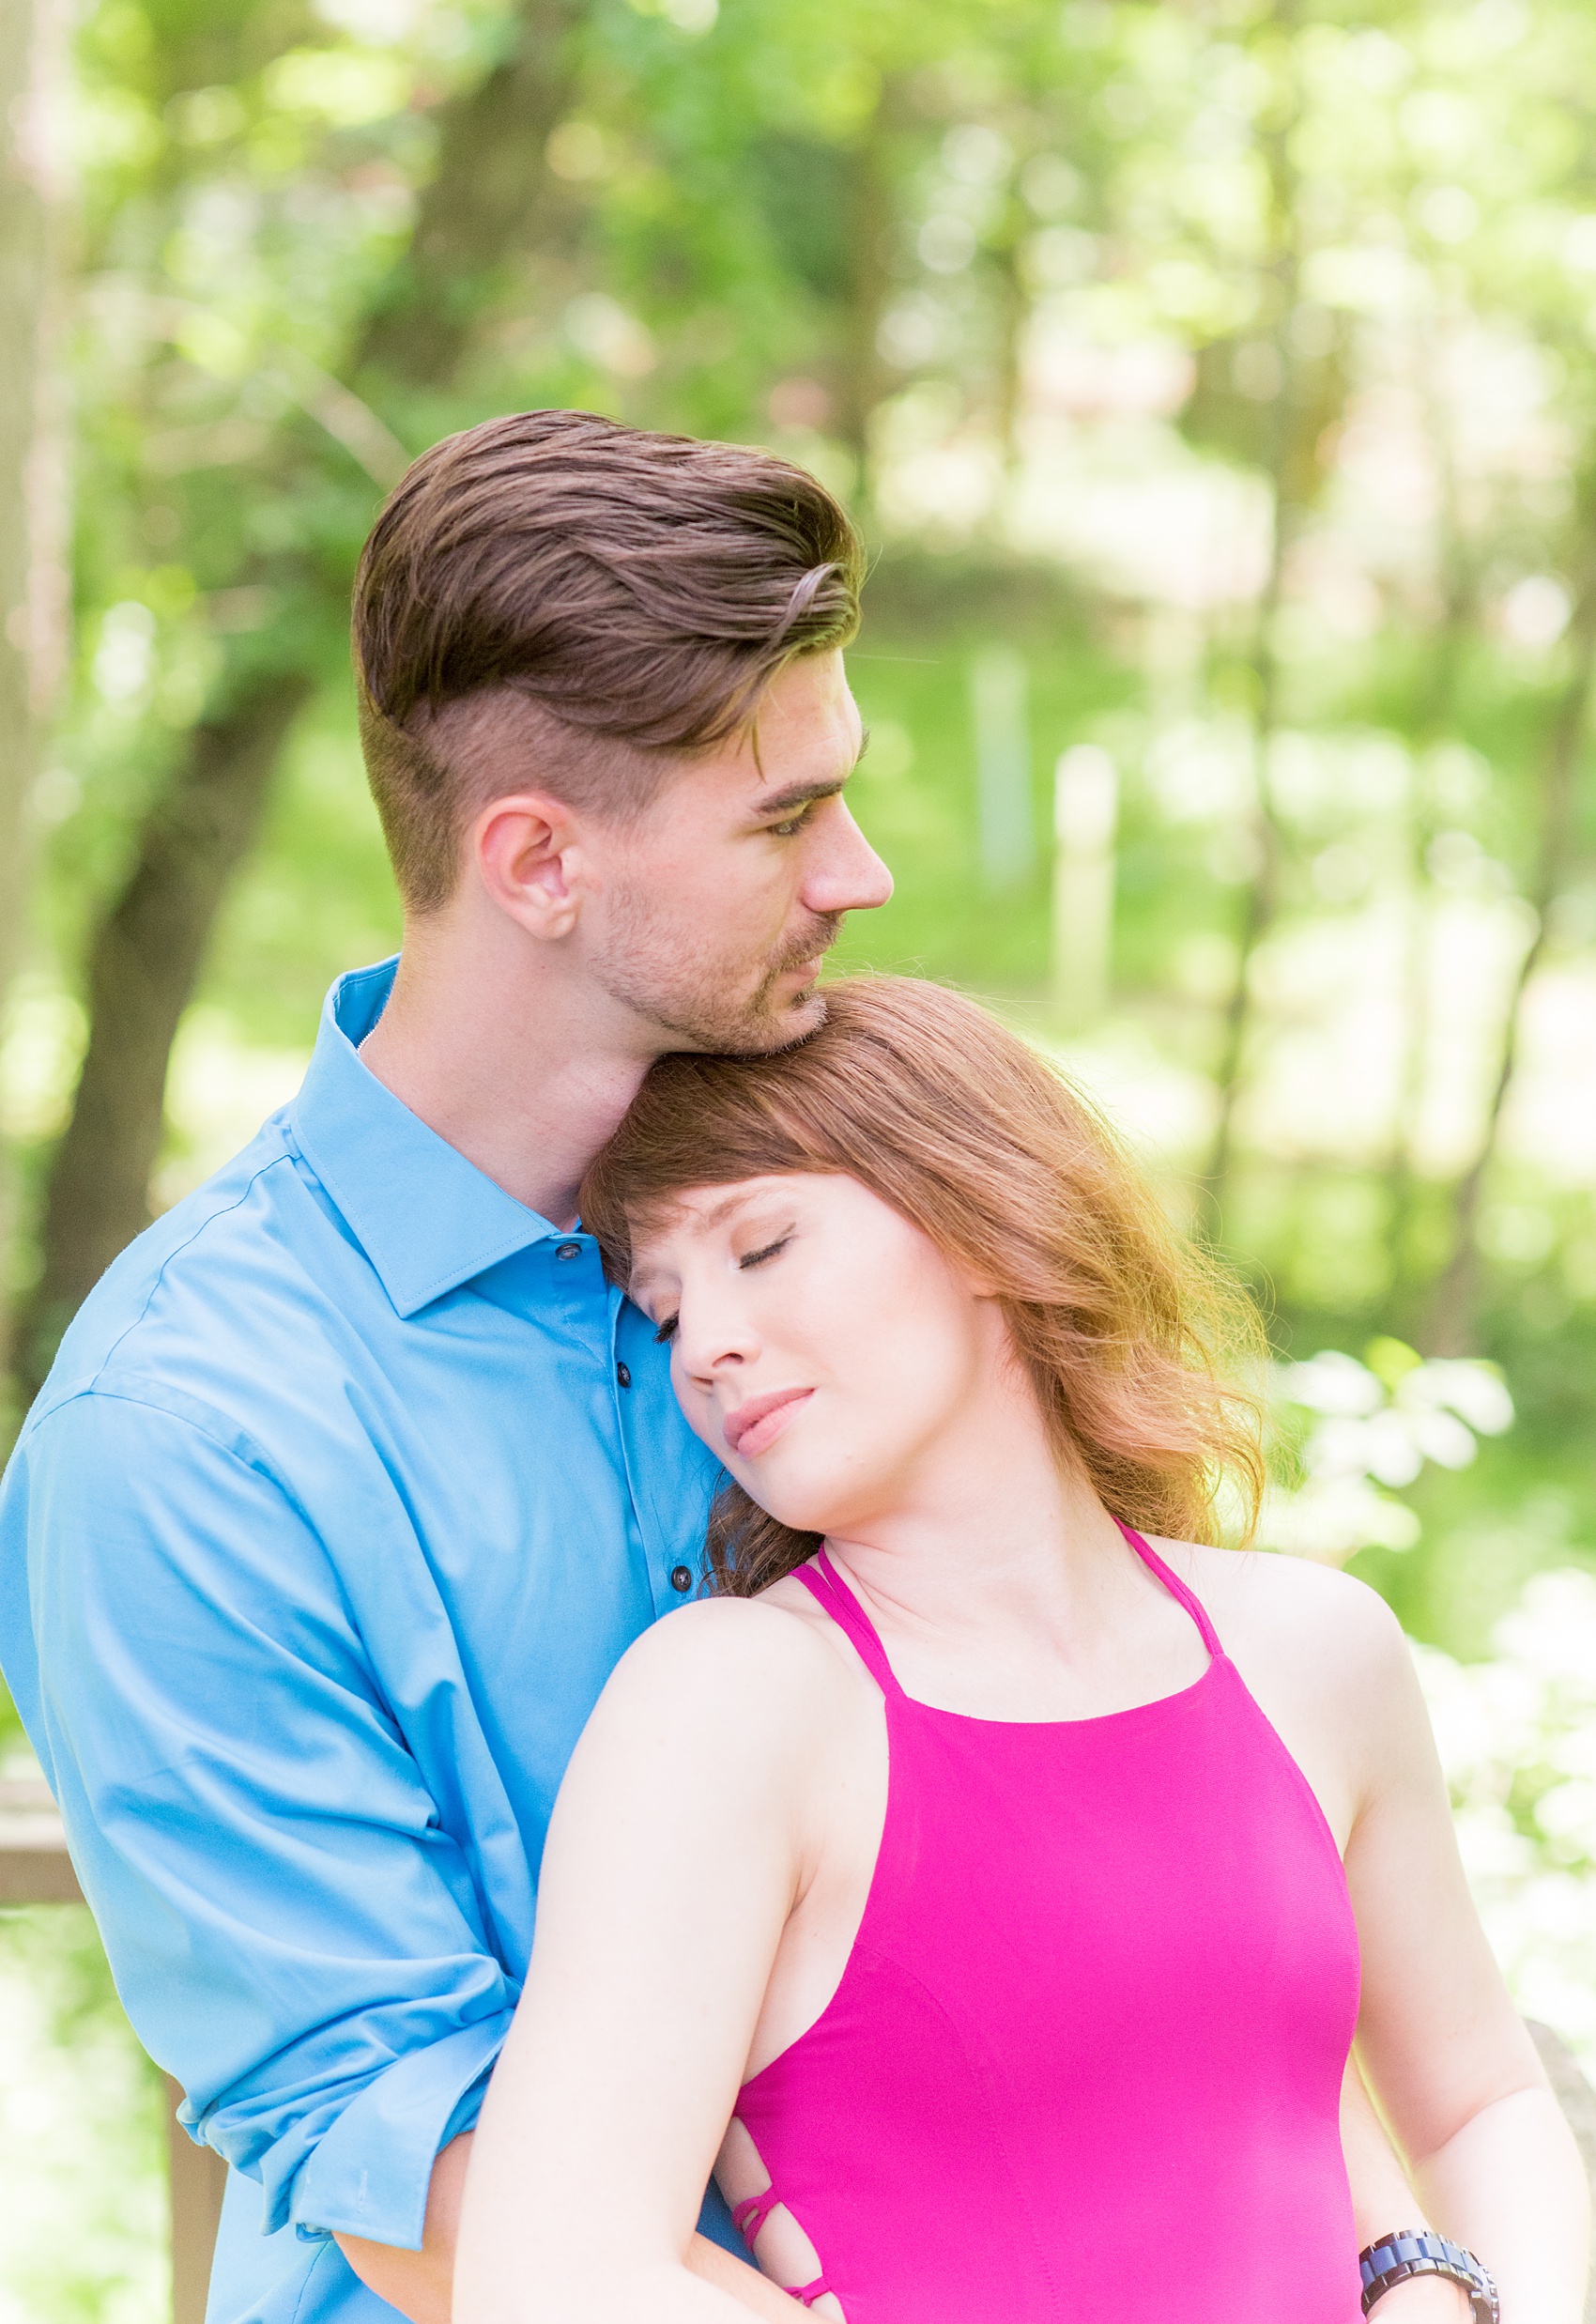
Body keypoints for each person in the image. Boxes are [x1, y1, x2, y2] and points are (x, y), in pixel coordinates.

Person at [0, 411, 891, 2324]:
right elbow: (408, 2158)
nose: (862, 872)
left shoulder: (859, 1233)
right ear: (537, 860)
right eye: (782, 818)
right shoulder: (182, 1440)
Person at [454, 976, 1590, 2324]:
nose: (705, 1343)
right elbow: (555, 2272)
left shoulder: (1314, 1651)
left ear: (981, 1216)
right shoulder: (734, 1702)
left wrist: (1443, 2289)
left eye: (759, 1248)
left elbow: (1481, 2105)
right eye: (661, 1308)